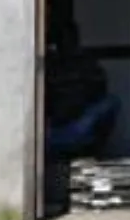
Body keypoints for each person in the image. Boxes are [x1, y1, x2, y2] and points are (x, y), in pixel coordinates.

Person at [45, 22, 119, 160]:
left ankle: (93, 150)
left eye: (69, 38)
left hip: (79, 122)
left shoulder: (86, 63)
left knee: (111, 102)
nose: (66, 43)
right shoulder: (49, 63)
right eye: (62, 39)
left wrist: (79, 101)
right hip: (53, 128)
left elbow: (99, 90)